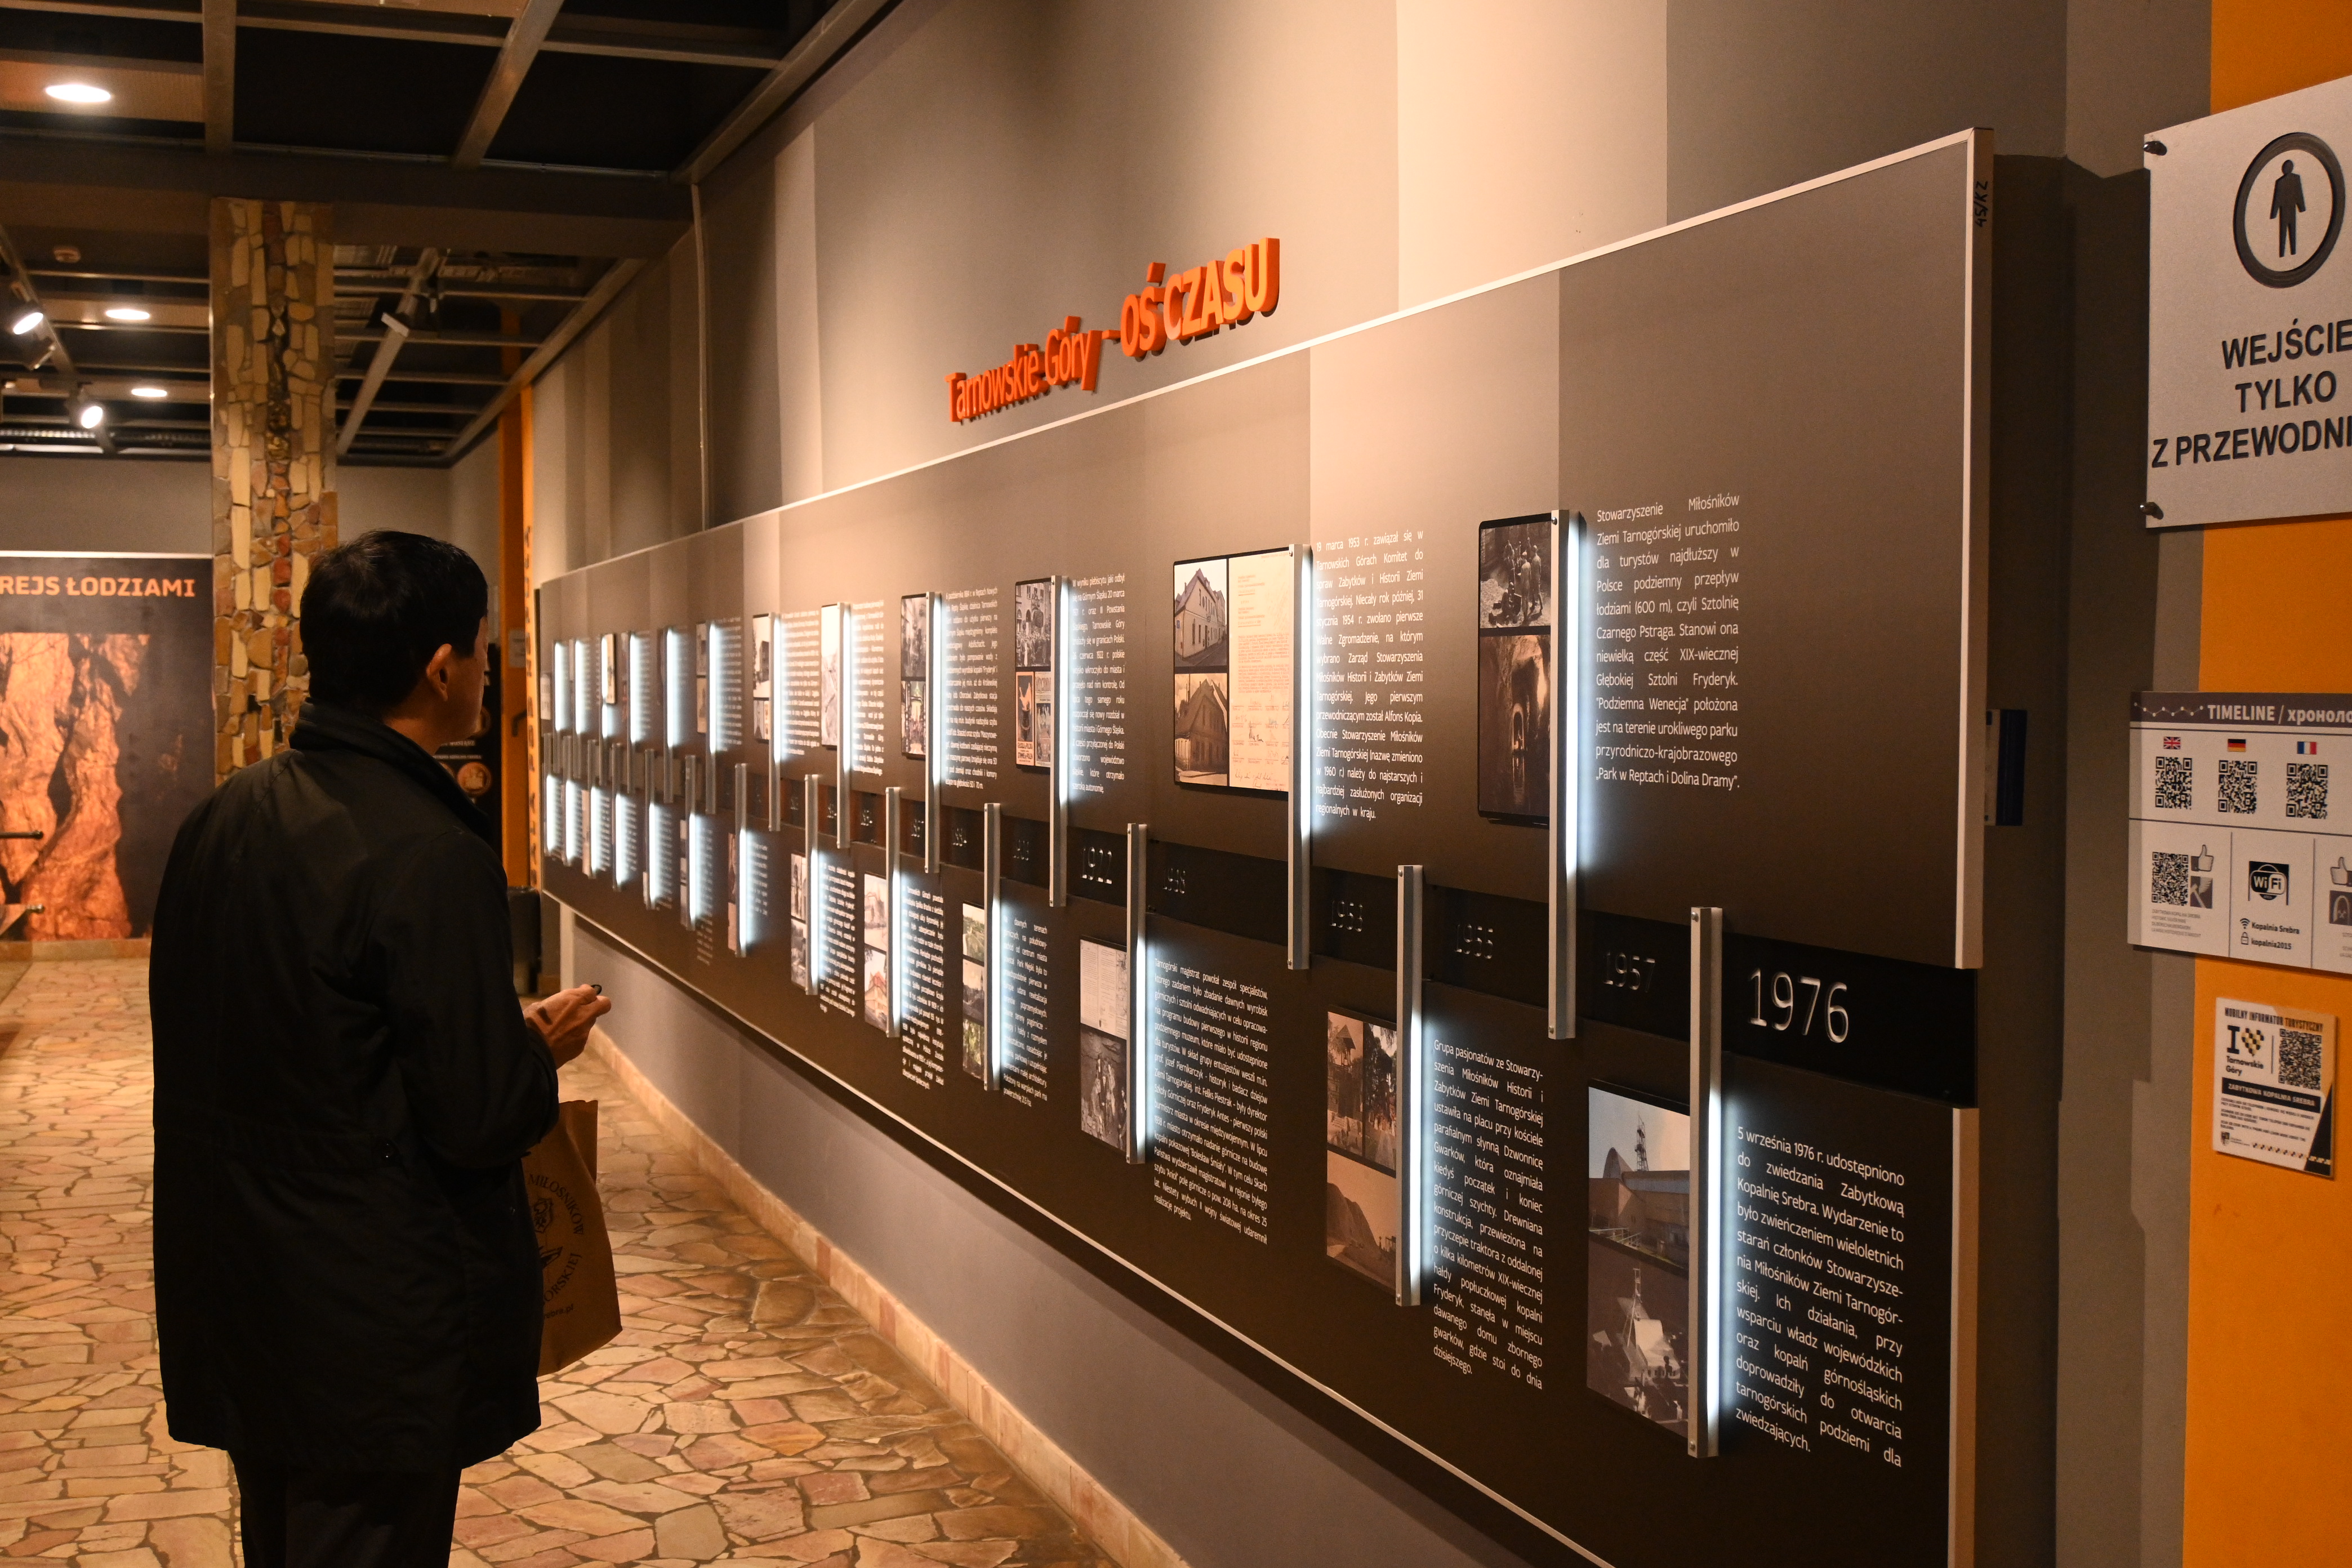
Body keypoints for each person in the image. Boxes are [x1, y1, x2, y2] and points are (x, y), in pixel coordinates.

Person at [149, 530, 611, 1568]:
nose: (489, 673)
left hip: (245, 1282)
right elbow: (479, 1114)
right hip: (370, 1315)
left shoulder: (223, 820)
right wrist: (534, 1053)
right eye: (484, 651)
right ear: (442, 666)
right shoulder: (427, 852)